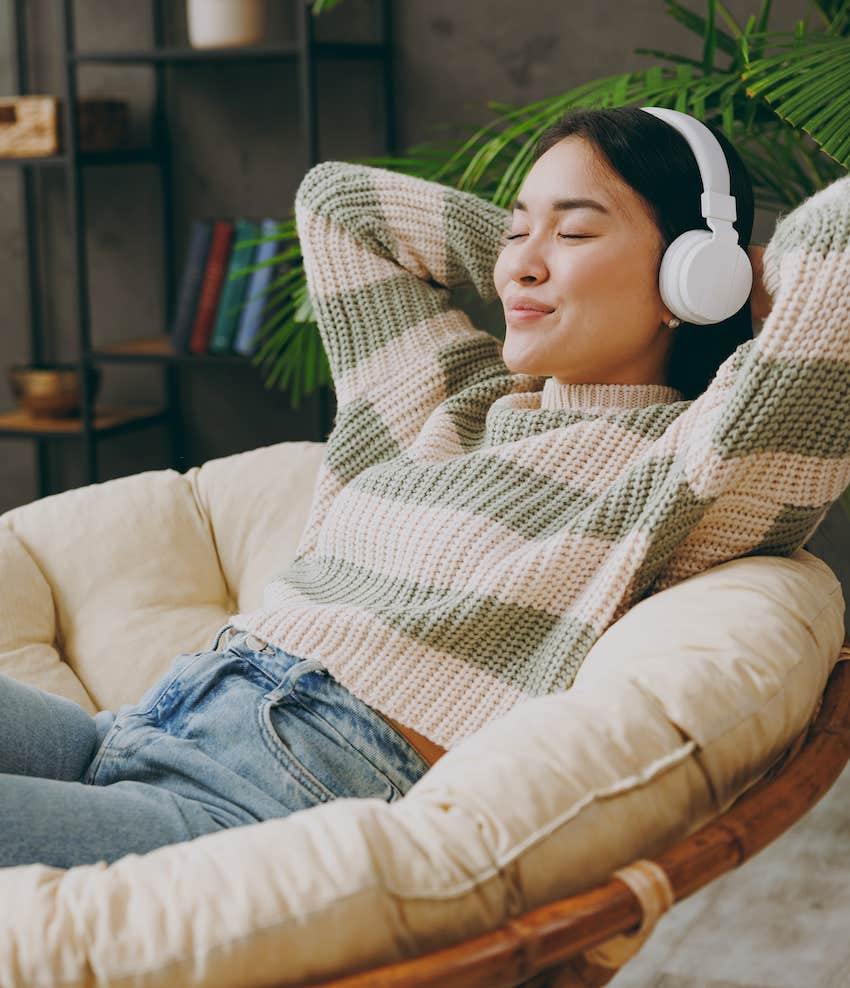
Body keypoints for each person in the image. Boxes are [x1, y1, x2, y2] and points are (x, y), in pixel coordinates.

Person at [2, 107, 846, 870]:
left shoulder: (691, 464)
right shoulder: (445, 401)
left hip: (259, 808)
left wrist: (737, 284)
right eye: (517, 232)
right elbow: (340, 206)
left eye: (577, 234)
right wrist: (533, 258)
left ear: (690, 277)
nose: (523, 265)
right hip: (145, 722)